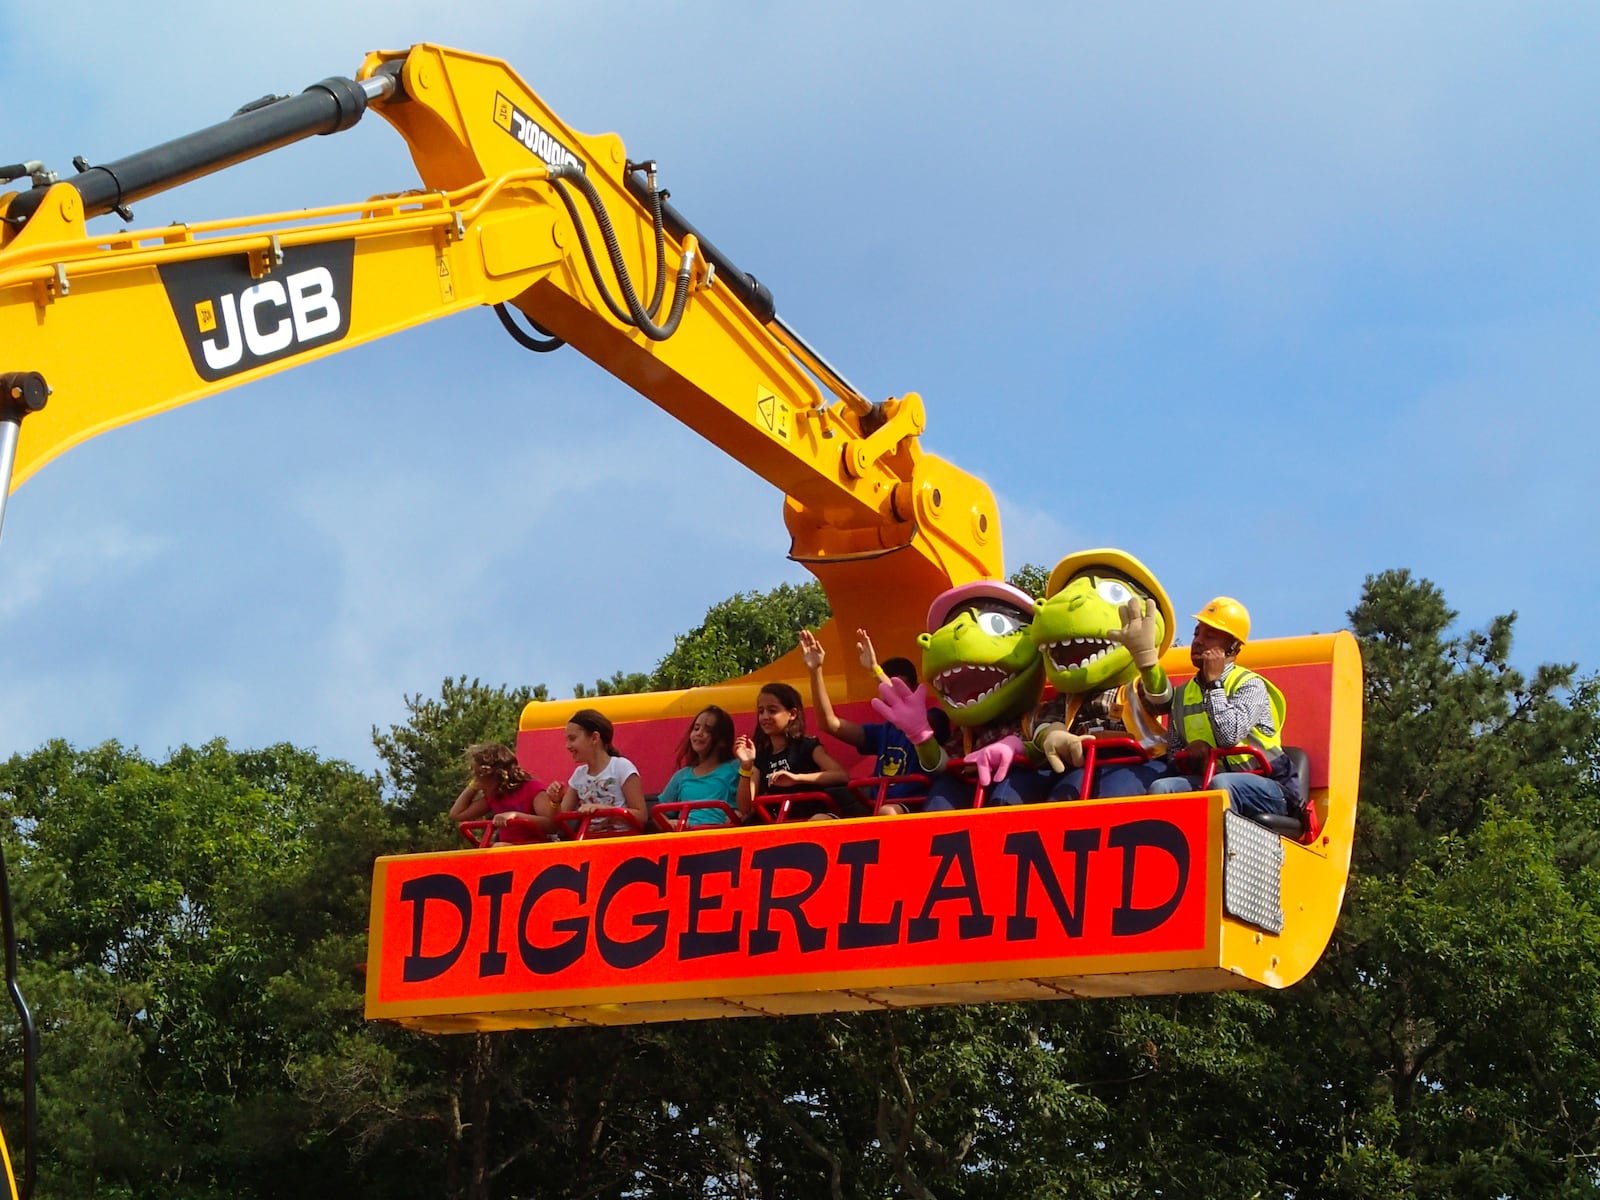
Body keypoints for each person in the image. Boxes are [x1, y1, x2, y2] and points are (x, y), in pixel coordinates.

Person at [1147, 597, 1299, 820]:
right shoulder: (1180, 696)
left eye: (1209, 636)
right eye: (1196, 634)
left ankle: (1222, 852)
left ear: (1233, 647)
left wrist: (1214, 684)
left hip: (1271, 788)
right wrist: (1191, 754)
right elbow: (1173, 756)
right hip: (1211, 780)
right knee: (1161, 788)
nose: (1198, 641)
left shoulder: (1250, 685)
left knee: (1222, 785)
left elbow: (1229, 736)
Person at [799, 627, 948, 815]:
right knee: (820, 818)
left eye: (897, 687)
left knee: (887, 812)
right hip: (876, 806)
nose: (889, 693)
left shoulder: (933, 719)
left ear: (915, 689)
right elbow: (829, 724)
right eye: (884, 686)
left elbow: (911, 713)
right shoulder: (881, 732)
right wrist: (815, 671)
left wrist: (875, 670)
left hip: (914, 807)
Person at [733, 681, 856, 822]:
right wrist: (746, 767)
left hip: (812, 818)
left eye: (772, 711)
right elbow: (745, 807)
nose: (765, 716)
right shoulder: (760, 757)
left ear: (792, 714)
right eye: (761, 711)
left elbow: (841, 775)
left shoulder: (807, 746)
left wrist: (796, 778)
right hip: (779, 825)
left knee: (819, 820)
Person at [546, 708, 649, 834]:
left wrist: (603, 810)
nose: (567, 746)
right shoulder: (579, 775)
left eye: (572, 739)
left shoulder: (621, 767)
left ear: (594, 738)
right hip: (591, 844)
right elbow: (560, 820)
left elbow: (642, 816)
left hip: (623, 842)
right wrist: (555, 802)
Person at [448, 742, 555, 844]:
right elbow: (457, 814)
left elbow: (552, 824)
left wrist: (516, 816)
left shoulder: (532, 788)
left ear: (496, 775)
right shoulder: (494, 796)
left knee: (498, 847)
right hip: (506, 850)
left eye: (478, 776)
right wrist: (473, 786)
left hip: (534, 849)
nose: (477, 781)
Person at [656, 705, 740, 827]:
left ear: (723, 740)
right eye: (696, 728)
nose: (699, 733)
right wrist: (669, 824)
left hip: (721, 835)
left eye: (708, 731)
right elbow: (658, 813)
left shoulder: (735, 768)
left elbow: (747, 805)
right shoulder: (682, 776)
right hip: (686, 837)